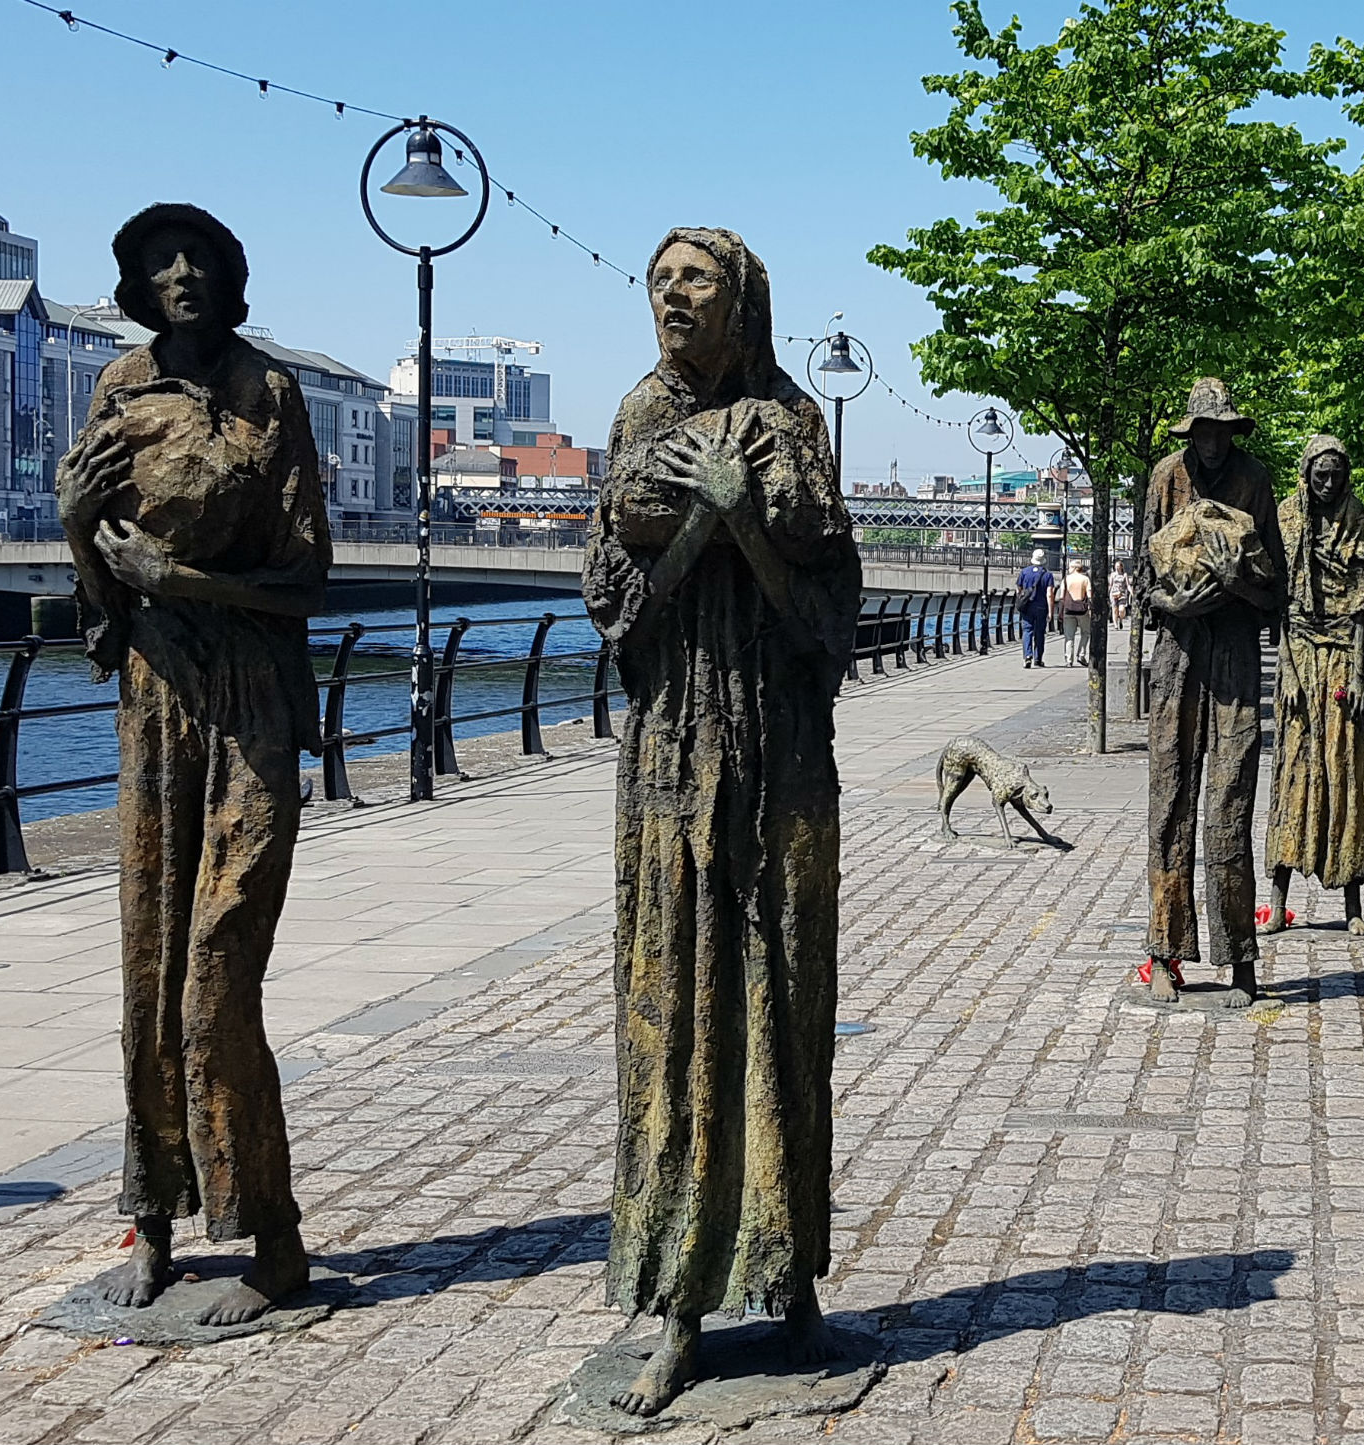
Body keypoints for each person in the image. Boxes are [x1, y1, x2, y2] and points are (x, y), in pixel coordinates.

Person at [583, 227, 861, 1416]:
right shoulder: (640, 417)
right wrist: (705, 521)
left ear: (742, 297)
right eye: (657, 281)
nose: (669, 297)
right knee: (674, 1012)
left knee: (785, 1008)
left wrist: (743, 516)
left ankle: (786, 1273)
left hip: (782, 764)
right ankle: (677, 1303)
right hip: (671, 765)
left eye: (693, 280)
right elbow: (619, 616)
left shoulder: (794, 424)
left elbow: (828, 626)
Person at [57, 203, 326, 1325]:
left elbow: (307, 575)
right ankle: (154, 1221)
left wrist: (198, 587)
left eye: (201, 257)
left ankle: (273, 1240)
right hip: (156, 703)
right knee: (149, 963)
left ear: (229, 275)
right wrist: (75, 528)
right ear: (134, 280)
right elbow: (104, 592)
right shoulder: (117, 389)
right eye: (161, 260)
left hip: (251, 704)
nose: (181, 274)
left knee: (216, 967)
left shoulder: (272, 395)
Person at [1140, 378, 1284, 1007]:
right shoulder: (1164, 478)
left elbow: (1277, 585)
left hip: (1234, 656)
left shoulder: (1256, 481)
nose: (1213, 442)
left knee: (1230, 802)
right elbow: (1144, 578)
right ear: (1190, 433)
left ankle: (1239, 960)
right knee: (1169, 801)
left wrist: (1237, 584)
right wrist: (1175, 599)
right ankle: (1164, 952)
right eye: (1204, 431)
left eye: (1222, 431)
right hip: (1176, 652)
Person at [1260, 435, 1364, 938]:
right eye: (1319, 475)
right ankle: (1278, 898)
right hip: (1300, 654)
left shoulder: (1357, 521)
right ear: (1306, 473)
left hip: (1341, 656)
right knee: (1294, 771)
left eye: (1336, 475)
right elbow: (1279, 609)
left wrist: (1358, 673)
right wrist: (1285, 670)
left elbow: (1361, 612)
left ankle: (1352, 902)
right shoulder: (1287, 518)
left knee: (1344, 769)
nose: (1328, 484)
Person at [1017, 546, 1056, 666]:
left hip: (1027, 606)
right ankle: (1038, 658)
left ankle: (1027, 656)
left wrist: (1022, 598)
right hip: (1041, 606)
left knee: (1027, 630)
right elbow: (1050, 594)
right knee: (1040, 632)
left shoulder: (1024, 572)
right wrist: (1050, 611)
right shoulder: (1048, 575)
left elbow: (1019, 589)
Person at [1058, 557, 1094, 664]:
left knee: (1069, 636)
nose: (1068, 569)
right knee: (1086, 632)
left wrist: (1060, 612)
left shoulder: (1066, 579)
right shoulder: (1085, 579)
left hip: (1068, 610)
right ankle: (1081, 654)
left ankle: (1069, 659)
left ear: (1074, 568)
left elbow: (1061, 597)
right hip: (1082, 610)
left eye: (1070, 567)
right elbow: (1089, 595)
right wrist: (1090, 609)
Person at [1110, 559, 1131, 626]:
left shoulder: (1124, 575)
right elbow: (1110, 584)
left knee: (1121, 609)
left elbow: (1128, 585)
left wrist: (1131, 591)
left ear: (1121, 567)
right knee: (1114, 609)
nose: (1117, 567)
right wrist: (1108, 592)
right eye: (1116, 566)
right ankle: (1115, 624)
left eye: (1118, 566)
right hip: (1113, 593)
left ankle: (1121, 619)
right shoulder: (1113, 574)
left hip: (1122, 593)